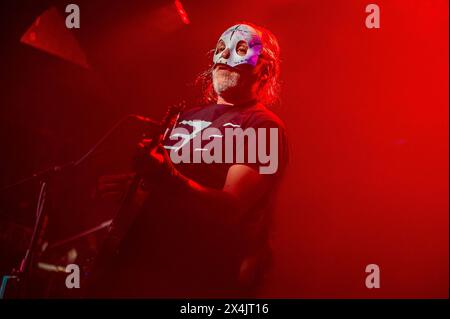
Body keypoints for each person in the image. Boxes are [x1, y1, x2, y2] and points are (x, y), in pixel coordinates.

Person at [90, 22, 288, 298]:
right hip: (137, 270)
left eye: (240, 48)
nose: (223, 57)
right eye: (219, 49)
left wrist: (166, 177)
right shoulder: (186, 116)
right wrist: (134, 190)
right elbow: (165, 191)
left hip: (195, 281)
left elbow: (230, 209)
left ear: (264, 70)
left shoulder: (263, 128)